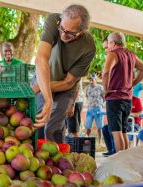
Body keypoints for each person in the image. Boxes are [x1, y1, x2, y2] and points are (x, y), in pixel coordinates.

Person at [33, 4, 96, 143]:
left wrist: (47, 92)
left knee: (52, 128)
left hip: (64, 88)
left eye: (70, 33)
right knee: (36, 122)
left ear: (82, 31)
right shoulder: (54, 20)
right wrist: (46, 95)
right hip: (43, 77)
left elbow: (68, 82)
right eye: (62, 29)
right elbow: (41, 58)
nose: (63, 34)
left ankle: (55, 161)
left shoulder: (89, 47)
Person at [102, 32, 143, 152]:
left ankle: (120, 160)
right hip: (127, 99)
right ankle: (125, 159)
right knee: (123, 131)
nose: (107, 48)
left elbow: (105, 72)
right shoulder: (131, 54)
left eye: (108, 44)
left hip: (114, 98)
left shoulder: (113, 54)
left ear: (113, 43)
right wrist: (132, 83)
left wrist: (105, 90)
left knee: (116, 132)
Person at [84, 74, 104, 144]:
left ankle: (100, 142)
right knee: (88, 126)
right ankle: (87, 141)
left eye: (92, 80)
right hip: (90, 109)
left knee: (100, 126)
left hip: (98, 108)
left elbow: (103, 97)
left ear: (96, 80)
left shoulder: (100, 87)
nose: (91, 81)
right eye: (90, 80)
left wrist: (101, 104)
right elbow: (86, 96)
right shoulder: (87, 87)